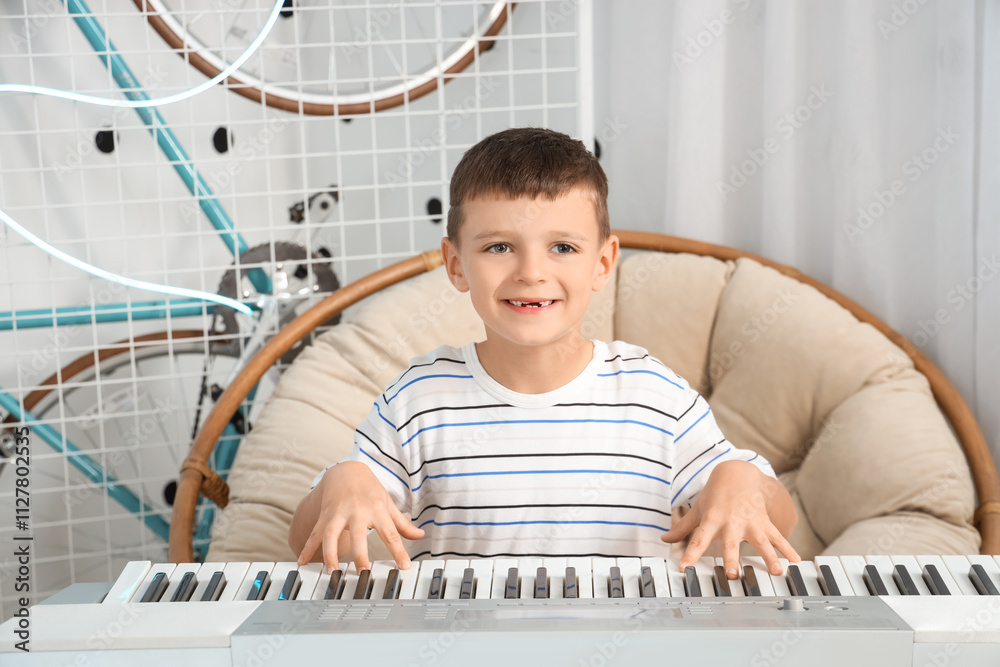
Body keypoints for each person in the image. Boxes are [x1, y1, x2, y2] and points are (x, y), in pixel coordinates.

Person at [289, 127, 799, 581]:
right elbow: (302, 543)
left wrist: (740, 480)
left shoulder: (652, 395)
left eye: (562, 248)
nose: (531, 272)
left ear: (603, 263)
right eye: (498, 247)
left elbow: (780, 517)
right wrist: (343, 480)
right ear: (456, 265)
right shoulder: (420, 398)